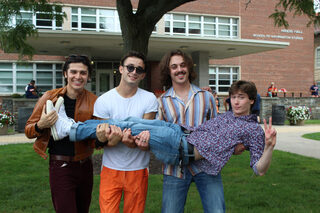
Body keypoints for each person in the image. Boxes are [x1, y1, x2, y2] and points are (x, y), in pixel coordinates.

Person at [46, 80, 277, 180]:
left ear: (251, 100)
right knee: (128, 120)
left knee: (131, 125)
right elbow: (222, 140)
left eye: (242, 98)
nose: (236, 102)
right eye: (234, 97)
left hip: (183, 147)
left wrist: (268, 147)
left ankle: (71, 130)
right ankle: (71, 127)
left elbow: (259, 170)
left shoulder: (255, 131)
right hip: (179, 131)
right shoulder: (226, 115)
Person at [24, 55, 98, 213]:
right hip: (61, 166)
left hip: (85, 166)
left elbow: (95, 141)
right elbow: (28, 130)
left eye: (83, 73)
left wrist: (101, 138)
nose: (78, 76)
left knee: (83, 210)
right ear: (65, 73)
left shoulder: (94, 101)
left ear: (88, 76)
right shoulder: (49, 98)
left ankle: (69, 128)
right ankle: (67, 127)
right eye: (73, 72)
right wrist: (41, 125)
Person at [157, 49, 226, 213]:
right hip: (175, 168)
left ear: (188, 67)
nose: (179, 69)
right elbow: (161, 137)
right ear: (169, 71)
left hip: (206, 165)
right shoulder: (162, 102)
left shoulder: (206, 97)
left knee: (217, 210)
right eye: (174, 66)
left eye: (182, 65)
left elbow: (217, 131)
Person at [94, 51, 158, 213]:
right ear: (121, 69)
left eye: (139, 69)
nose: (134, 72)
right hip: (110, 168)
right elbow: (101, 139)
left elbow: (145, 136)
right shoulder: (103, 101)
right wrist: (111, 140)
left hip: (138, 168)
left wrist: (128, 141)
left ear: (143, 75)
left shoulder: (149, 99)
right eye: (130, 67)